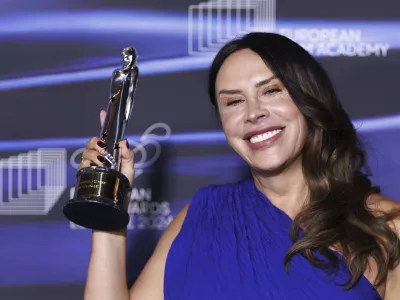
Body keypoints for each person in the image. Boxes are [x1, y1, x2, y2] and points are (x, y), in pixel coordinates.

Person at [79, 32, 400, 300]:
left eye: (272, 91)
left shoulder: (387, 225)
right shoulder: (201, 217)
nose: (253, 112)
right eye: (233, 101)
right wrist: (107, 202)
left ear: (309, 98)